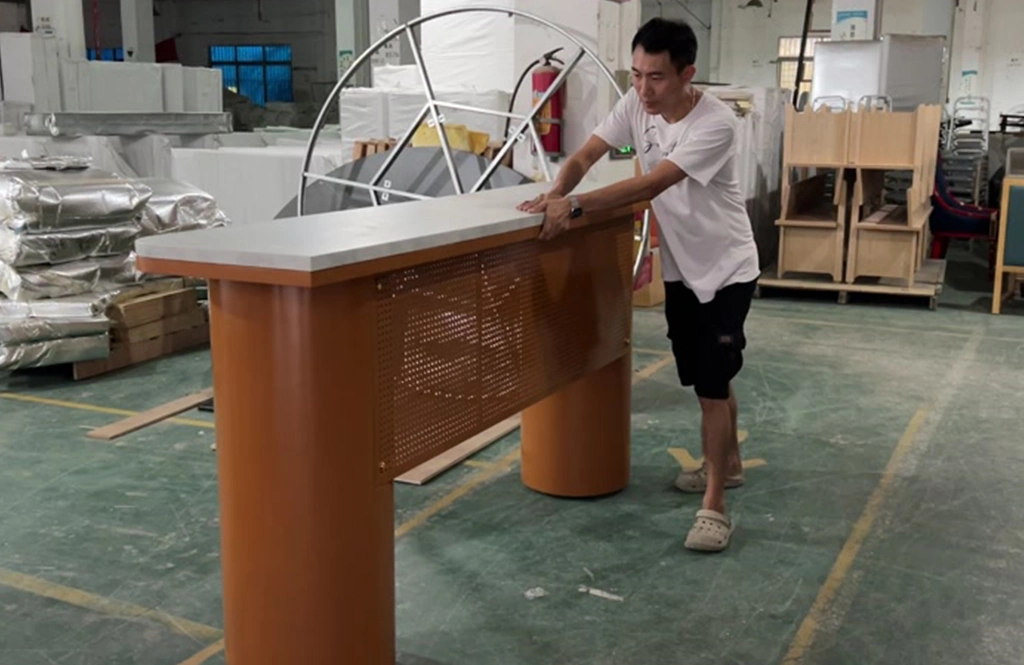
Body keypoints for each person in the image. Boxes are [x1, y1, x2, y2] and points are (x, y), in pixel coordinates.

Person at [517, 17, 760, 553]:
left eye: (657, 77)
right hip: (681, 268)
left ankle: (715, 504)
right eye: (636, 74)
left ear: (687, 74)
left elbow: (652, 183)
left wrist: (575, 205)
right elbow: (585, 155)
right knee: (708, 378)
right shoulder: (635, 106)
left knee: (712, 389)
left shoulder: (715, 124)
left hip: (725, 269)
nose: (643, 89)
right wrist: (554, 191)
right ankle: (733, 464)